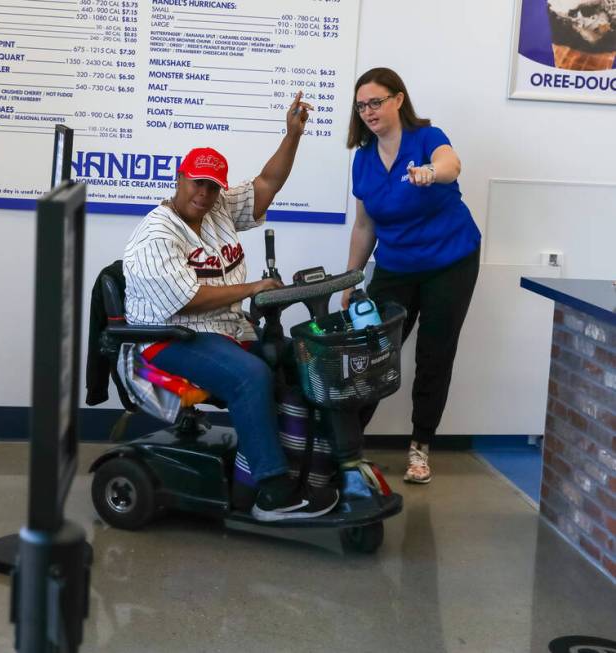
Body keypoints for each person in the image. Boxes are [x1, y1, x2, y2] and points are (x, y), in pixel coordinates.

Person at [122, 92, 339, 522]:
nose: (204, 193)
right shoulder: (156, 235)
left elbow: (267, 183)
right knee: (250, 376)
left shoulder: (217, 209)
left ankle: (305, 468)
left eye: (212, 185)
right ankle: (271, 494)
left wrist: (292, 135)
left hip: (223, 330)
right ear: (180, 178)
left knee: (298, 363)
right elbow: (188, 300)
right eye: (196, 182)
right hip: (167, 337)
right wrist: (253, 288)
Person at [343, 68, 481, 484]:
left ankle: (420, 447)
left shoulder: (426, 138)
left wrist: (430, 173)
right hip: (396, 266)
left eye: (376, 102)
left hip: (450, 261)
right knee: (374, 353)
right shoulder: (364, 158)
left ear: (398, 100)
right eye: (362, 104)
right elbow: (365, 226)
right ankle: (346, 443)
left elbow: (451, 164)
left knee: (434, 355)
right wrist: (350, 280)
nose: (368, 111)